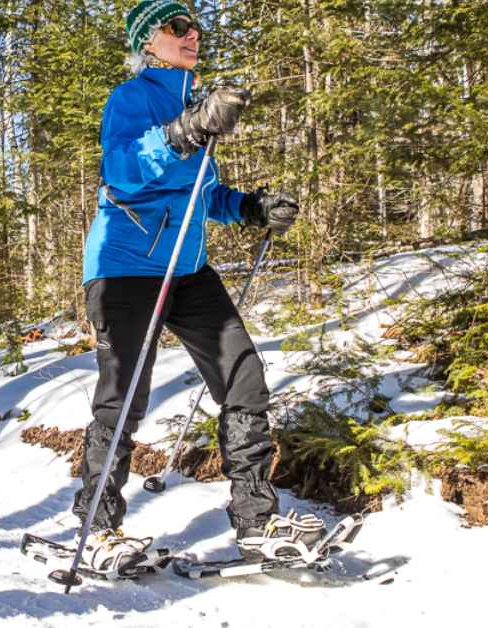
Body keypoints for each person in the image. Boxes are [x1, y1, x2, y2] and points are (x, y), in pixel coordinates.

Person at [72, 0, 323, 571]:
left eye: (195, 26)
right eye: (176, 27)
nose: (192, 35)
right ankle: (97, 528)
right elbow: (125, 170)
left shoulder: (193, 99)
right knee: (125, 394)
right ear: (148, 41)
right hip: (126, 265)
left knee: (244, 376)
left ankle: (257, 522)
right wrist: (187, 131)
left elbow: (200, 196)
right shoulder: (131, 98)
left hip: (185, 268)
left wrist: (248, 206)